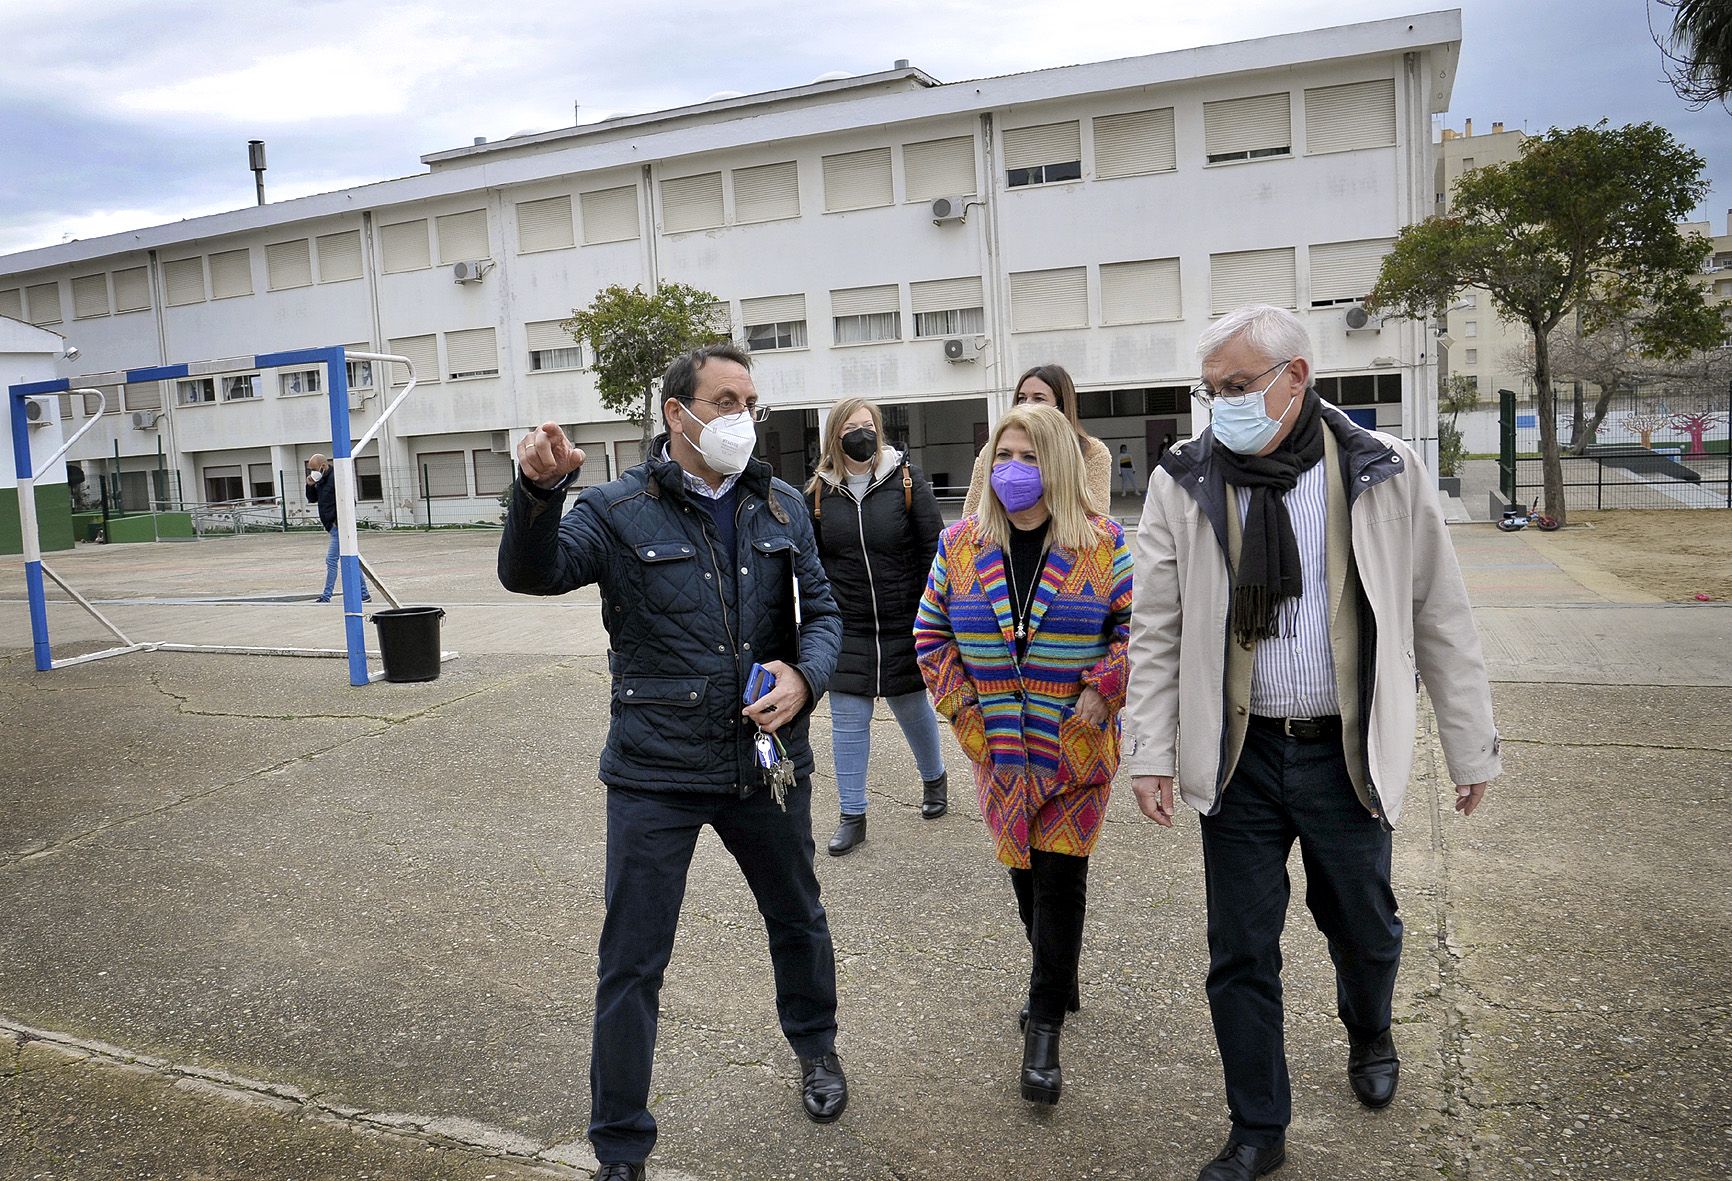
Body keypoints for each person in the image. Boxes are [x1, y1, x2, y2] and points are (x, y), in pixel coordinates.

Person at [1123, 305, 1501, 1181]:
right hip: (1241, 755)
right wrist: (1150, 749)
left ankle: (1369, 1025)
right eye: (1209, 389)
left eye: (1237, 386)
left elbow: (1438, 612)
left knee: (1364, 927)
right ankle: (1258, 1126)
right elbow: (1157, 627)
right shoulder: (1184, 479)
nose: (1220, 406)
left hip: (1345, 751)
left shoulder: (1384, 470)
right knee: (1241, 950)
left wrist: (1469, 743)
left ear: (1296, 377)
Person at [497, 342, 847, 1181]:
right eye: (725, 401)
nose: (742, 419)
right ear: (676, 413)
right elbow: (531, 573)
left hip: (763, 759)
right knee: (632, 960)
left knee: (797, 915)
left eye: (751, 402)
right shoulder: (617, 510)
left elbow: (825, 614)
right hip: (655, 769)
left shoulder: (782, 505)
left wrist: (806, 675)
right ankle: (620, 1145)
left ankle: (817, 1048)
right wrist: (539, 493)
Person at [914, 403, 1132, 1109]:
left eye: (1030, 456)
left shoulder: (1104, 543)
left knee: (1061, 880)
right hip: (1001, 753)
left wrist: (1104, 691)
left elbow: (1135, 634)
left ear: (1059, 464)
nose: (1014, 469)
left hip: (1075, 752)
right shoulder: (959, 544)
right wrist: (964, 713)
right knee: (1026, 883)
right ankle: (1057, 971)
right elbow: (930, 635)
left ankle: (1043, 1029)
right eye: (1004, 454)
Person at [806, 397, 949, 855]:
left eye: (869, 426)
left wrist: (934, 612)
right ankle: (852, 814)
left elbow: (933, 546)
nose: (862, 434)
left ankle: (934, 779)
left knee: (911, 705)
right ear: (835, 435)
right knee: (849, 719)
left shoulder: (905, 478)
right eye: (852, 427)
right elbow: (812, 562)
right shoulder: (818, 492)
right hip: (847, 623)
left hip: (905, 618)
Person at [961, 365, 1112, 515]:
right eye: (1021, 398)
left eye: (1038, 398)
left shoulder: (1091, 452)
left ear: (1061, 406)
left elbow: (1097, 518)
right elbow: (972, 512)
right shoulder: (992, 450)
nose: (1027, 404)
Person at [304, 453, 369, 604]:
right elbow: (312, 499)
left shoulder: (336, 478)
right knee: (350, 560)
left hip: (338, 527)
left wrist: (337, 521)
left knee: (331, 560)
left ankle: (327, 596)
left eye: (314, 469)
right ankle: (364, 594)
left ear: (323, 466)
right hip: (332, 527)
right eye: (310, 469)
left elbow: (349, 501)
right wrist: (310, 486)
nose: (312, 472)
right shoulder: (320, 480)